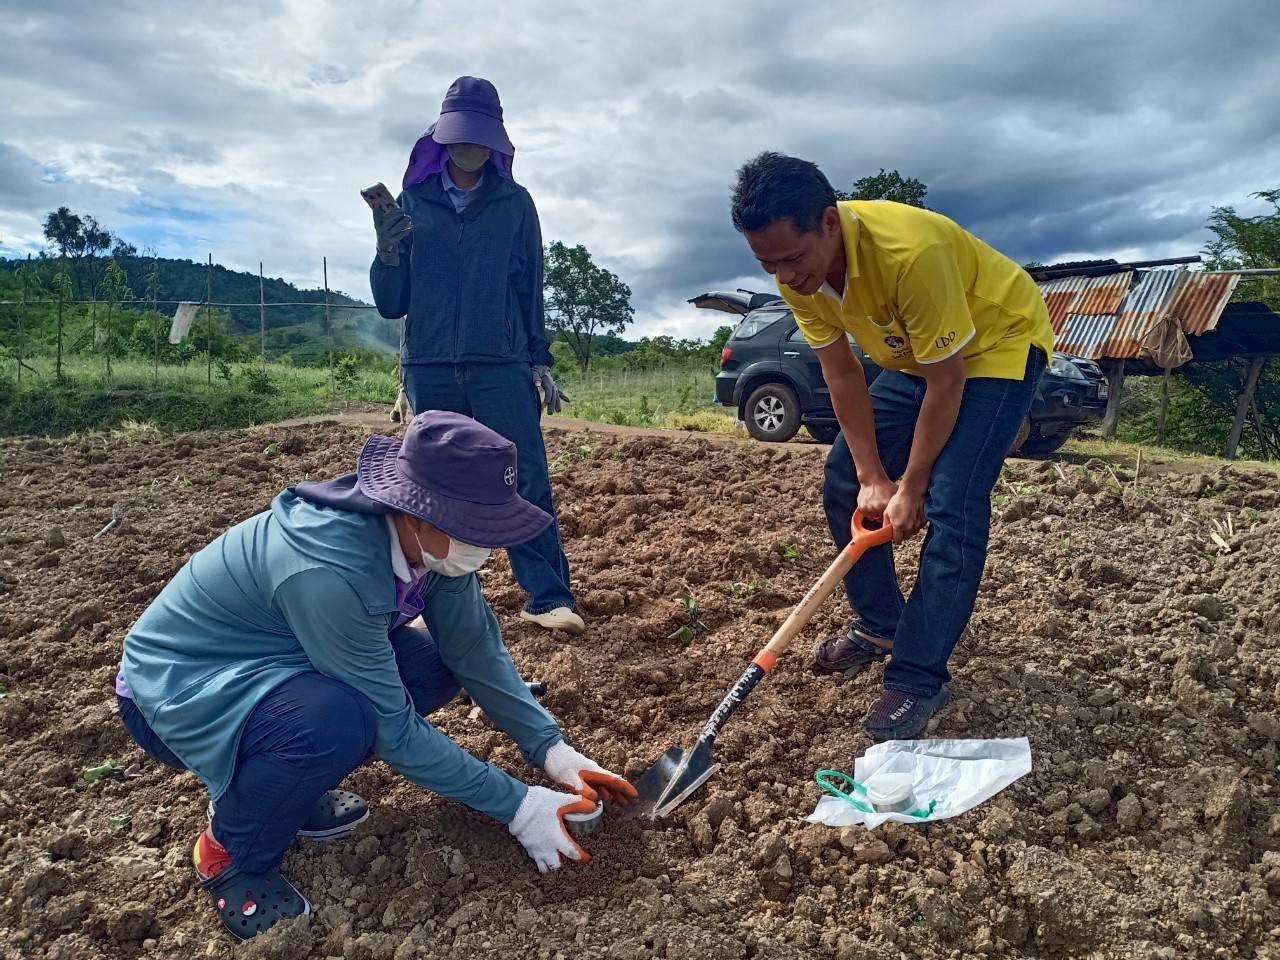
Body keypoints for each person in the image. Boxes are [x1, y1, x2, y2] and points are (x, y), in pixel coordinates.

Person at [114, 411, 636, 942]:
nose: (486, 545)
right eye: (474, 527)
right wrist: (518, 805)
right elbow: (393, 728)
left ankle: (284, 789)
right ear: (414, 510)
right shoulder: (331, 570)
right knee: (337, 721)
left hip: (283, 663)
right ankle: (230, 851)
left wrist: (551, 751)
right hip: (179, 691)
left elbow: (473, 650)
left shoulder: (434, 551)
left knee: (434, 667)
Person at [730, 152, 1054, 741]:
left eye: (792, 258)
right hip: (913, 355)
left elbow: (948, 380)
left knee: (953, 502)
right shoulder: (796, 273)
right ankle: (882, 625)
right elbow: (842, 373)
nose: (784, 276)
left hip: (996, 343)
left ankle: (918, 677)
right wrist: (873, 476)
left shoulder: (910, 253)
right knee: (843, 480)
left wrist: (911, 485)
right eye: (766, 262)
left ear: (828, 222)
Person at [370, 75, 583, 636]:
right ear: (442, 138)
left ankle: (547, 597)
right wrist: (387, 249)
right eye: (460, 136)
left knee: (523, 473)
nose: (469, 148)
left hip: (501, 363)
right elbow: (393, 305)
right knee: (431, 482)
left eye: (479, 137)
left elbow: (528, 288)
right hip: (431, 364)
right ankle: (426, 604)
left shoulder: (515, 204)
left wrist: (539, 361)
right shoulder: (415, 202)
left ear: (494, 142)